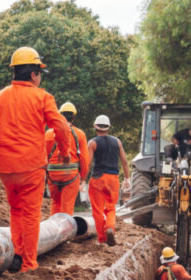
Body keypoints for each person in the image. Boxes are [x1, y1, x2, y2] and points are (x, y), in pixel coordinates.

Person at [0, 46, 74, 272]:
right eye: (39, 73)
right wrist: (64, 152)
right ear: (34, 75)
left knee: (15, 209)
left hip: (5, 166)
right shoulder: (42, 97)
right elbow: (61, 127)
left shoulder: (0, 96)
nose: (40, 78)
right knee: (31, 214)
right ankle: (28, 263)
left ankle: (17, 254)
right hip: (31, 165)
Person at [87, 115, 129, 247]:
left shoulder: (92, 143)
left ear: (95, 127)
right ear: (108, 128)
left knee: (97, 210)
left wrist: (82, 179)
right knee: (111, 208)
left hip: (98, 179)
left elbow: (88, 163)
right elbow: (124, 161)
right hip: (113, 179)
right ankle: (110, 227)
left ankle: (102, 238)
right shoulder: (117, 142)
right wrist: (127, 178)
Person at [44, 101, 91, 215]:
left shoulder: (49, 133)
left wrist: (44, 175)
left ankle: (54, 225)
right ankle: (66, 225)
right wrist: (83, 178)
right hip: (71, 175)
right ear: (73, 117)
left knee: (55, 203)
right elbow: (84, 159)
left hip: (53, 175)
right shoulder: (80, 134)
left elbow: (43, 156)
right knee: (67, 205)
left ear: (60, 115)